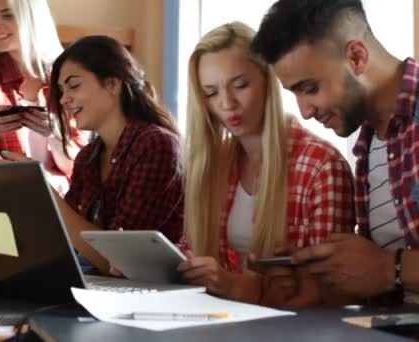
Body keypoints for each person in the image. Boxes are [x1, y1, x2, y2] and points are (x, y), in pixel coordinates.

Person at [0, 35, 184, 274]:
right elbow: (60, 240)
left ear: (112, 84)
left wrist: (40, 186)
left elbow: (121, 264)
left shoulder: (156, 145)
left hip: (153, 295)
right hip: (105, 289)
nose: (64, 99)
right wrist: (17, 190)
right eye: (61, 91)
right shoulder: (88, 157)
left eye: (74, 86)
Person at [252, 0, 419, 304]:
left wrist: (388, 268)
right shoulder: (369, 144)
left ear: (356, 57)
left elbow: (385, 269)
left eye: (310, 88)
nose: (304, 112)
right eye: (295, 93)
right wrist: (323, 271)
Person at [179, 21, 355, 307]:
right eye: (211, 93)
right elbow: (197, 255)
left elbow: (331, 291)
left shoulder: (322, 167)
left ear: (269, 81)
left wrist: (236, 284)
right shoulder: (212, 166)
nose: (227, 103)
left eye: (240, 85)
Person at [0, 0, 82, 194]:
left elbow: (81, 170)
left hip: (63, 199)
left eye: (8, 15)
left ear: (32, 18)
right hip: (9, 196)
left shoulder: (66, 77)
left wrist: (55, 135)